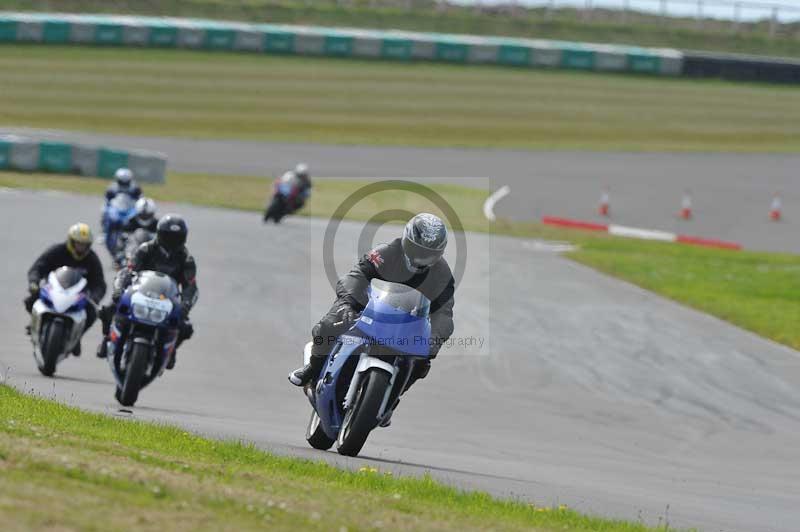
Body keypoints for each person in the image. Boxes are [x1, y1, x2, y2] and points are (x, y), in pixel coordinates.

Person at [289, 213, 455, 393]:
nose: (421, 257)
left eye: (429, 253)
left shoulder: (442, 275)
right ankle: (312, 369)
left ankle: (391, 399)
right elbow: (357, 275)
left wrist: (434, 341)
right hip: (369, 309)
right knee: (329, 326)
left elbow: (444, 313)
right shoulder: (386, 252)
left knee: (422, 361)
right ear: (406, 240)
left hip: (408, 323)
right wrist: (349, 303)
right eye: (417, 249)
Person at [97, 214, 198, 369]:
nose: (171, 241)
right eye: (168, 236)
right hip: (139, 293)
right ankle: (107, 338)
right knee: (108, 309)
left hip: (167, 299)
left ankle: (171, 350)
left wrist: (186, 305)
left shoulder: (186, 259)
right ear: (159, 234)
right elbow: (127, 271)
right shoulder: (146, 249)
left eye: (176, 238)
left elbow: (191, 286)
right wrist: (119, 290)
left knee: (185, 327)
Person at [25, 223, 106, 356]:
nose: (81, 248)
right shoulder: (57, 251)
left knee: (92, 312)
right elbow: (38, 267)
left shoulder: (92, 259)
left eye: (85, 245)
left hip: (78, 296)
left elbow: (99, 283)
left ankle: (77, 336)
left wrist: (95, 296)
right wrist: (34, 282)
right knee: (30, 300)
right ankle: (35, 323)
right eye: (78, 244)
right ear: (71, 241)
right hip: (53, 291)